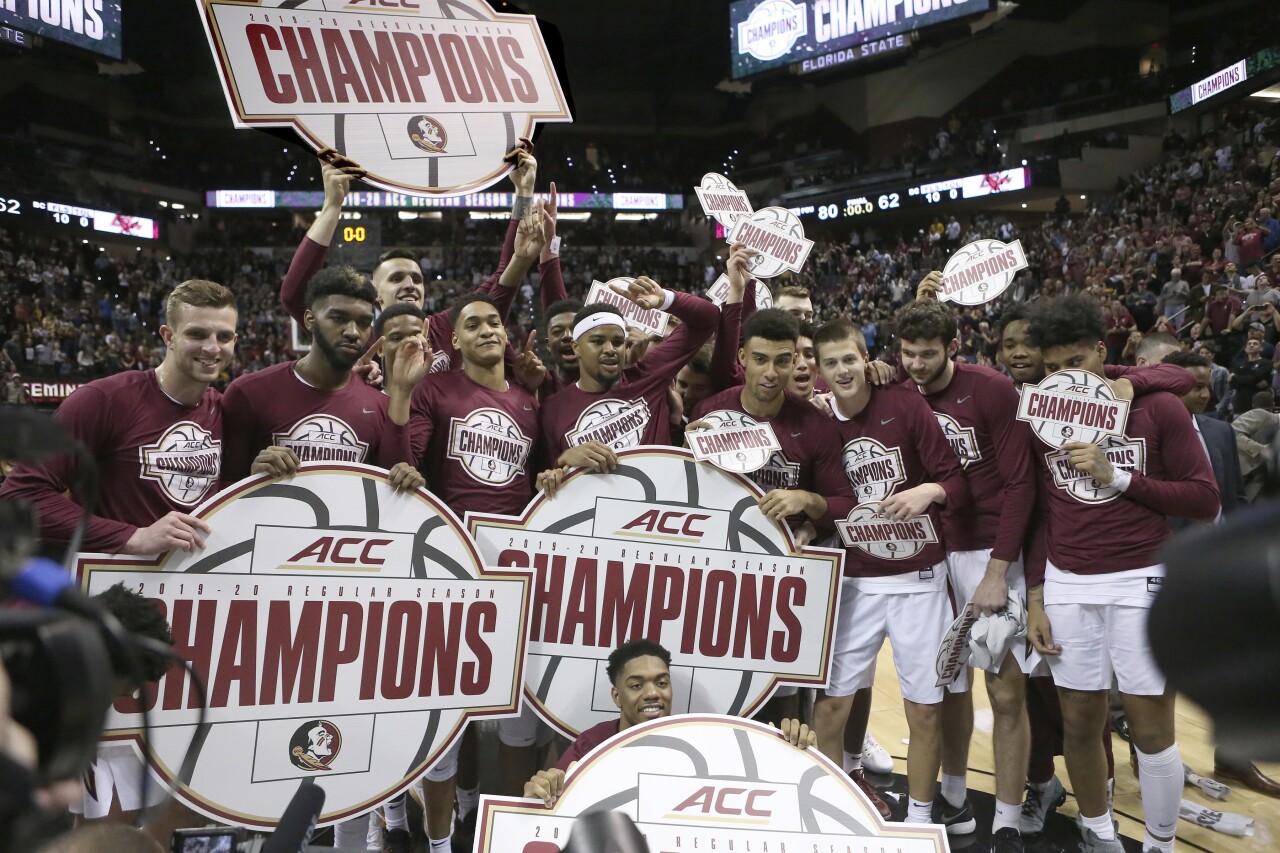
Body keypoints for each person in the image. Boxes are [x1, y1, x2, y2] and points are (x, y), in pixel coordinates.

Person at [1023, 294, 1218, 853]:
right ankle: (1100, 835)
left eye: (1077, 363)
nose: (1066, 377)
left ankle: (1160, 845)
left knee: (1153, 732)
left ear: (1101, 353)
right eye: (1055, 367)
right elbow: (1037, 515)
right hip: (1067, 584)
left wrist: (1121, 477)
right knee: (1081, 725)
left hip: (1143, 580)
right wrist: (1036, 595)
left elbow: (1204, 500)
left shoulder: (1156, 406)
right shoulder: (1040, 417)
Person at [809, 319, 969, 829]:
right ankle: (835, 811)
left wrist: (931, 491)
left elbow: (957, 480)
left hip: (918, 579)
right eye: (830, 362)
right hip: (852, 578)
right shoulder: (816, 419)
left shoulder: (903, 403)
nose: (842, 370)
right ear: (818, 369)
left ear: (867, 359)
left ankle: (921, 821)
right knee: (831, 709)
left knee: (924, 710)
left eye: (850, 359)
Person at [894, 295, 1035, 851]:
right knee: (949, 686)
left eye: (928, 354)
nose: (917, 365)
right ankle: (954, 798)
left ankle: (1006, 818)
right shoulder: (899, 391)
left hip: (990, 552)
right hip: (931, 556)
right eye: (907, 354)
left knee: (1003, 693)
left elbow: (1021, 485)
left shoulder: (992, 389)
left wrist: (998, 571)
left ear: (954, 347)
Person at [0, 280, 237, 555]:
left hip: (194, 588)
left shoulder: (227, 411)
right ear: (168, 336)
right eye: (197, 334)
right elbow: (19, 496)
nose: (212, 348)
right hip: (113, 588)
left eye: (223, 337)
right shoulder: (104, 399)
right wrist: (132, 536)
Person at [279, 146, 539, 373]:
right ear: (376, 296)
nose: (410, 284)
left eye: (417, 278)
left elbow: (505, 272)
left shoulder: (447, 325)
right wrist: (332, 207)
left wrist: (524, 193)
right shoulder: (356, 334)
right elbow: (294, 296)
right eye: (396, 278)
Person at [521, 641, 818, 808]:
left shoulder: (705, 740)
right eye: (637, 685)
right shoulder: (592, 745)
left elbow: (770, 793)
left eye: (662, 683)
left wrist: (796, 753)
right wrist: (539, 791)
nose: (653, 693)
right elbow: (552, 798)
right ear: (617, 696)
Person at [219, 267, 425, 487]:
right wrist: (253, 479)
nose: (353, 332)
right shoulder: (249, 393)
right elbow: (221, 490)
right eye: (338, 318)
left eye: (364, 323)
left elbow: (391, 492)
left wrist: (408, 477)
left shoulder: (380, 405)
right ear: (309, 320)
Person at [537, 275, 717, 476]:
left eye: (617, 342)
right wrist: (563, 459)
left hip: (658, 503)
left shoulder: (648, 374)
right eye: (597, 341)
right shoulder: (552, 408)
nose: (610, 349)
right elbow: (547, 477)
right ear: (576, 347)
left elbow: (708, 319)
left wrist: (665, 299)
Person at [1234, 390, 1280, 502]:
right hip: (1249, 479)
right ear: (1273, 405)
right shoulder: (1262, 414)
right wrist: (1261, 449)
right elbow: (1233, 432)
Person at [1229, 338, 1273, 418]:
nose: (1252, 345)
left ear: (1261, 348)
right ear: (1245, 349)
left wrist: (1237, 377)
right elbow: (1232, 383)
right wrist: (1252, 380)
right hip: (1240, 405)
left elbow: (1256, 377)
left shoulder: (1266, 363)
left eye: (1255, 344)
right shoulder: (1239, 364)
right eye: (1249, 344)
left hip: (1259, 405)